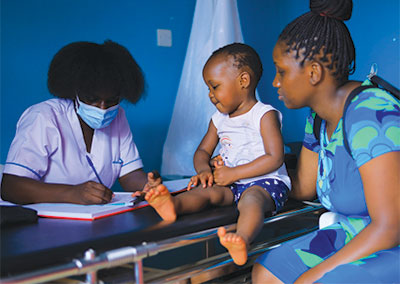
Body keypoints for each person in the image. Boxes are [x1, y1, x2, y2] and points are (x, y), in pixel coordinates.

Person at [252, 0, 400, 284]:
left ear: (314, 73)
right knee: (267, 271)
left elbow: (390, 226)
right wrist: (252, 179)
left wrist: (312, 275)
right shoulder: (318, 118)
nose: (275, 82)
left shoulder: (371, 112)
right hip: (352, 231)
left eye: (281, 71)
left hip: (391, 240)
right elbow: (304, 188)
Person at [144, 43, 291, 266]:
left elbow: (274, 157)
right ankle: (173, 206)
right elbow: (202, 151)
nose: (211, 95)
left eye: (215, 87)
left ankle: (241, 239)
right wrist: (204, 171)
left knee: (251, 201)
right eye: (209, 89)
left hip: (266, 182)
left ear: (243, 81)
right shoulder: (218, 119)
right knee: (207, 193)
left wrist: (233, 173)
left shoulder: (263, 114)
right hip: (230, 183)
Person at [1, 40, 160, 205]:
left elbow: (130, 175)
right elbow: (11, 187)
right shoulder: (44, 117)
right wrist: (71, 193)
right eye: (92, 99)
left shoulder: (118, 116)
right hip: (38, 221)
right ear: (74, 91)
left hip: (94, 221)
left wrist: (149, 187)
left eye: (112, 100)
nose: (102, 108)